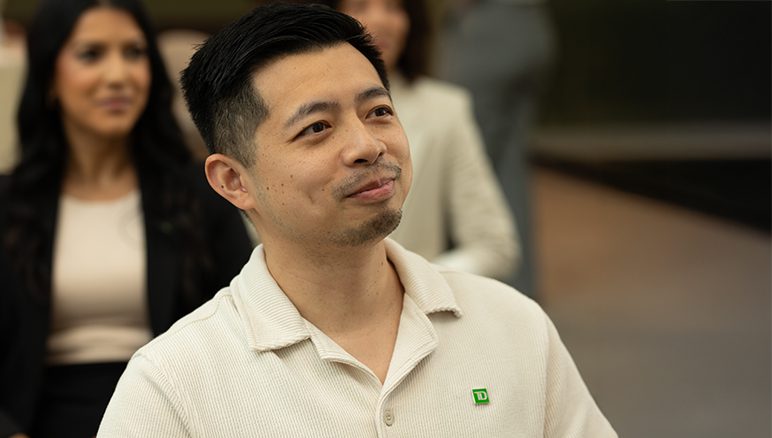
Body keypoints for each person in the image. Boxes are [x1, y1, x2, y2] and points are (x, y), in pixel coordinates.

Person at [98, 4, 616, 436]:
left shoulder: (513, 325)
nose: (367, 146)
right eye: (318, 127)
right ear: (233, 181)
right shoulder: (173, 384)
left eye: (379, 112)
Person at [0, 0, 252, 436]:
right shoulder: (8, 202)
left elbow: (247, 323)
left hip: (173, 416)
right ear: (49, 78)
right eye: (91, 54)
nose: (118, 75)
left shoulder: (202, 193)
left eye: (133, 53)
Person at [298, 0, 519, 281]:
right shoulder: (292, 112)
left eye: (394, 7)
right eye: (360, 5)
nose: (380, 20)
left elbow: (495, 246)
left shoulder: (445, 109)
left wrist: (413, 282)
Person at [438, 0, 557, 296]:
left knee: (462, 163)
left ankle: (455, 284)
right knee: (508, 167)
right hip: (530, 25)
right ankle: (518, 288)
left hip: (488, 28)